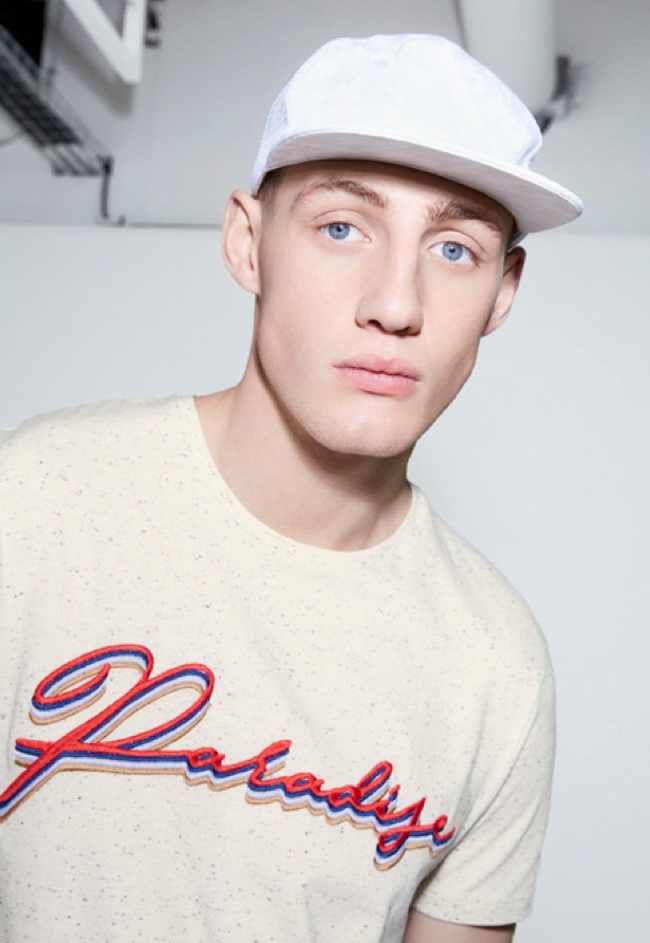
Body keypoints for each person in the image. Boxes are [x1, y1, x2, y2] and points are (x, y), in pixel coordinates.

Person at [0, 33, 581, 943]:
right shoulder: (32, 502)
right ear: (248, 243)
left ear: (502, 294)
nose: (396, 303)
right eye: (341, 227)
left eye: (454, 248)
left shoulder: (496, 664)